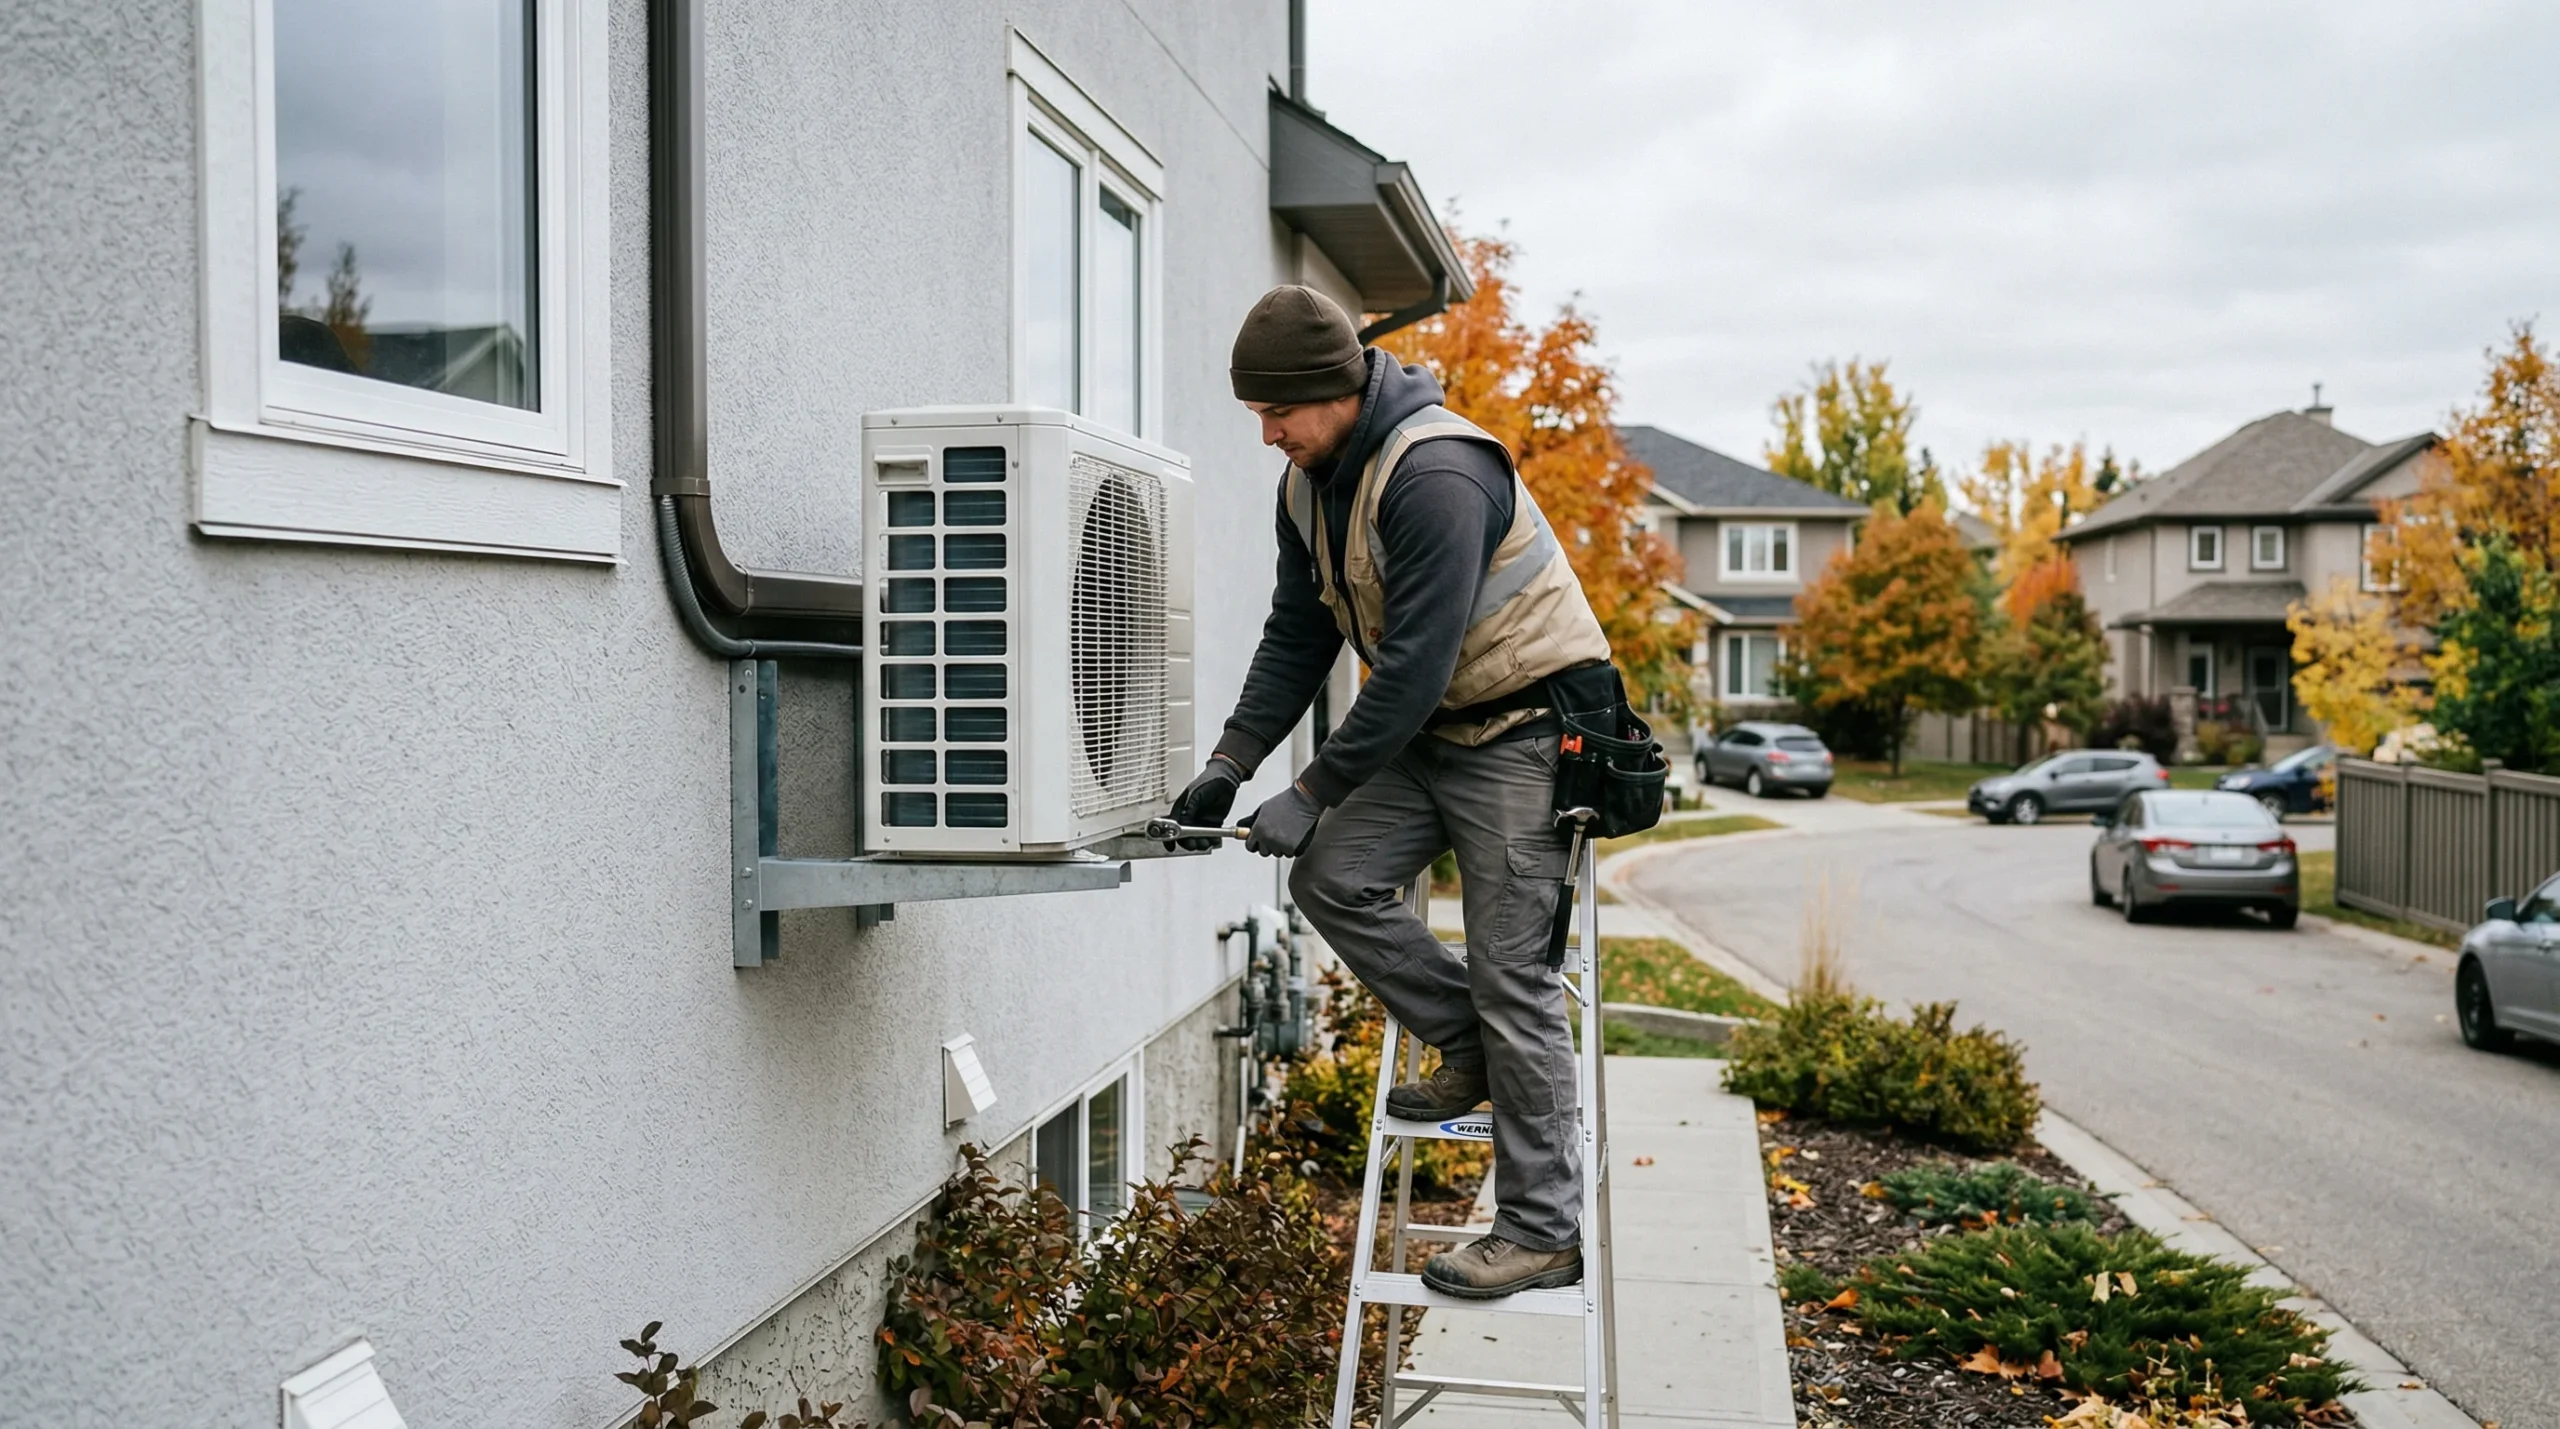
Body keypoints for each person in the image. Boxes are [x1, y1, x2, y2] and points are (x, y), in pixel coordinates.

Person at [1168, 285, 1614, 1299]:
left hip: (1530, 729)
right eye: (1257, 416)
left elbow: (1410, 666)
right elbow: (1298, 635)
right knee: (1333, 875)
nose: (1267, 434)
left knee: (1516, 976)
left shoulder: (1438, 475)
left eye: (1277, 413)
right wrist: (1230, 765)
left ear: (1334, 389)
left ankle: (1543, 1229)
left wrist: (1312, 785)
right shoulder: (1308, 484)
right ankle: (1465, 1036)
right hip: (1437, 728)